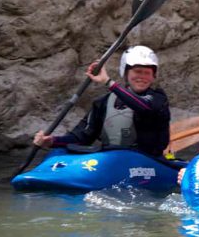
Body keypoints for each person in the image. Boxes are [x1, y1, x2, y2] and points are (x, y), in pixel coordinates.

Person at [33, 45, 170, 157]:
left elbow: (143, 107)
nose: (142, 77)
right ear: (126, 73)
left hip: (147, 161)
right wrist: (52, 141)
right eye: (137, 71)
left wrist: (108, 82)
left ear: (153, 77)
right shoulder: (103, 103)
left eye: (147, 73)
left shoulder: (158, 99)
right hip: (111, 160)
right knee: (58, 152)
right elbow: (81, 138)